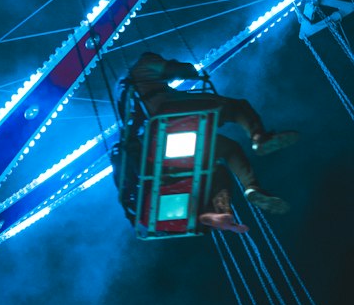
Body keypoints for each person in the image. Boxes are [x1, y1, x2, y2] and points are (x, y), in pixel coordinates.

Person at [124, 51, 298, 215]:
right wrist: (178, 66)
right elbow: (184, 71)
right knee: (238, 107)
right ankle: (259, 138)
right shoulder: (145, 63)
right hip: (174, 114)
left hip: (159, 141)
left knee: (227, 150)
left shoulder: (124, 93)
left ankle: (236, 200)